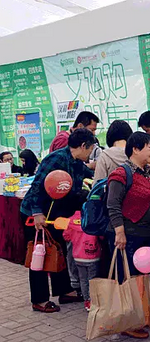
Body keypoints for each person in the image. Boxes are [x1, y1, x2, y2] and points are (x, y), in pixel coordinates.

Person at [20, 128, 96, 313]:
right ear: (83, 146)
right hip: (37, 213)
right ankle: (39, 300)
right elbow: (37, 186)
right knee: (40, 253)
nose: (90, 153)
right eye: (90, 149)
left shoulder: (77, 162)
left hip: (55, 214)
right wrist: (37, 213)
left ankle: (64, 291)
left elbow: (89, 173)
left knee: (58, 250)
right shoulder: (56, 159)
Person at [106, 131, 150, 339]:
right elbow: (113, 204)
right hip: (129, 235)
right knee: (128, 277)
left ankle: (144, 314)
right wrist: (119, 232)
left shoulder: (146, 173)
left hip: (145, 233)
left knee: (143, 277)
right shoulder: (121, 174)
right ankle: (129, 321)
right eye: (149, 147)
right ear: (135, 149)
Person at [63, 210, 101, 312]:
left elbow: (66, 236)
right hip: (93, 256)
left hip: (78, 257)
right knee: (93, 279)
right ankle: (94, 300)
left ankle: (87, 301)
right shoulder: (93, 217)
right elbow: (101, 235)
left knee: (83, 280)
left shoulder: (70, 220)